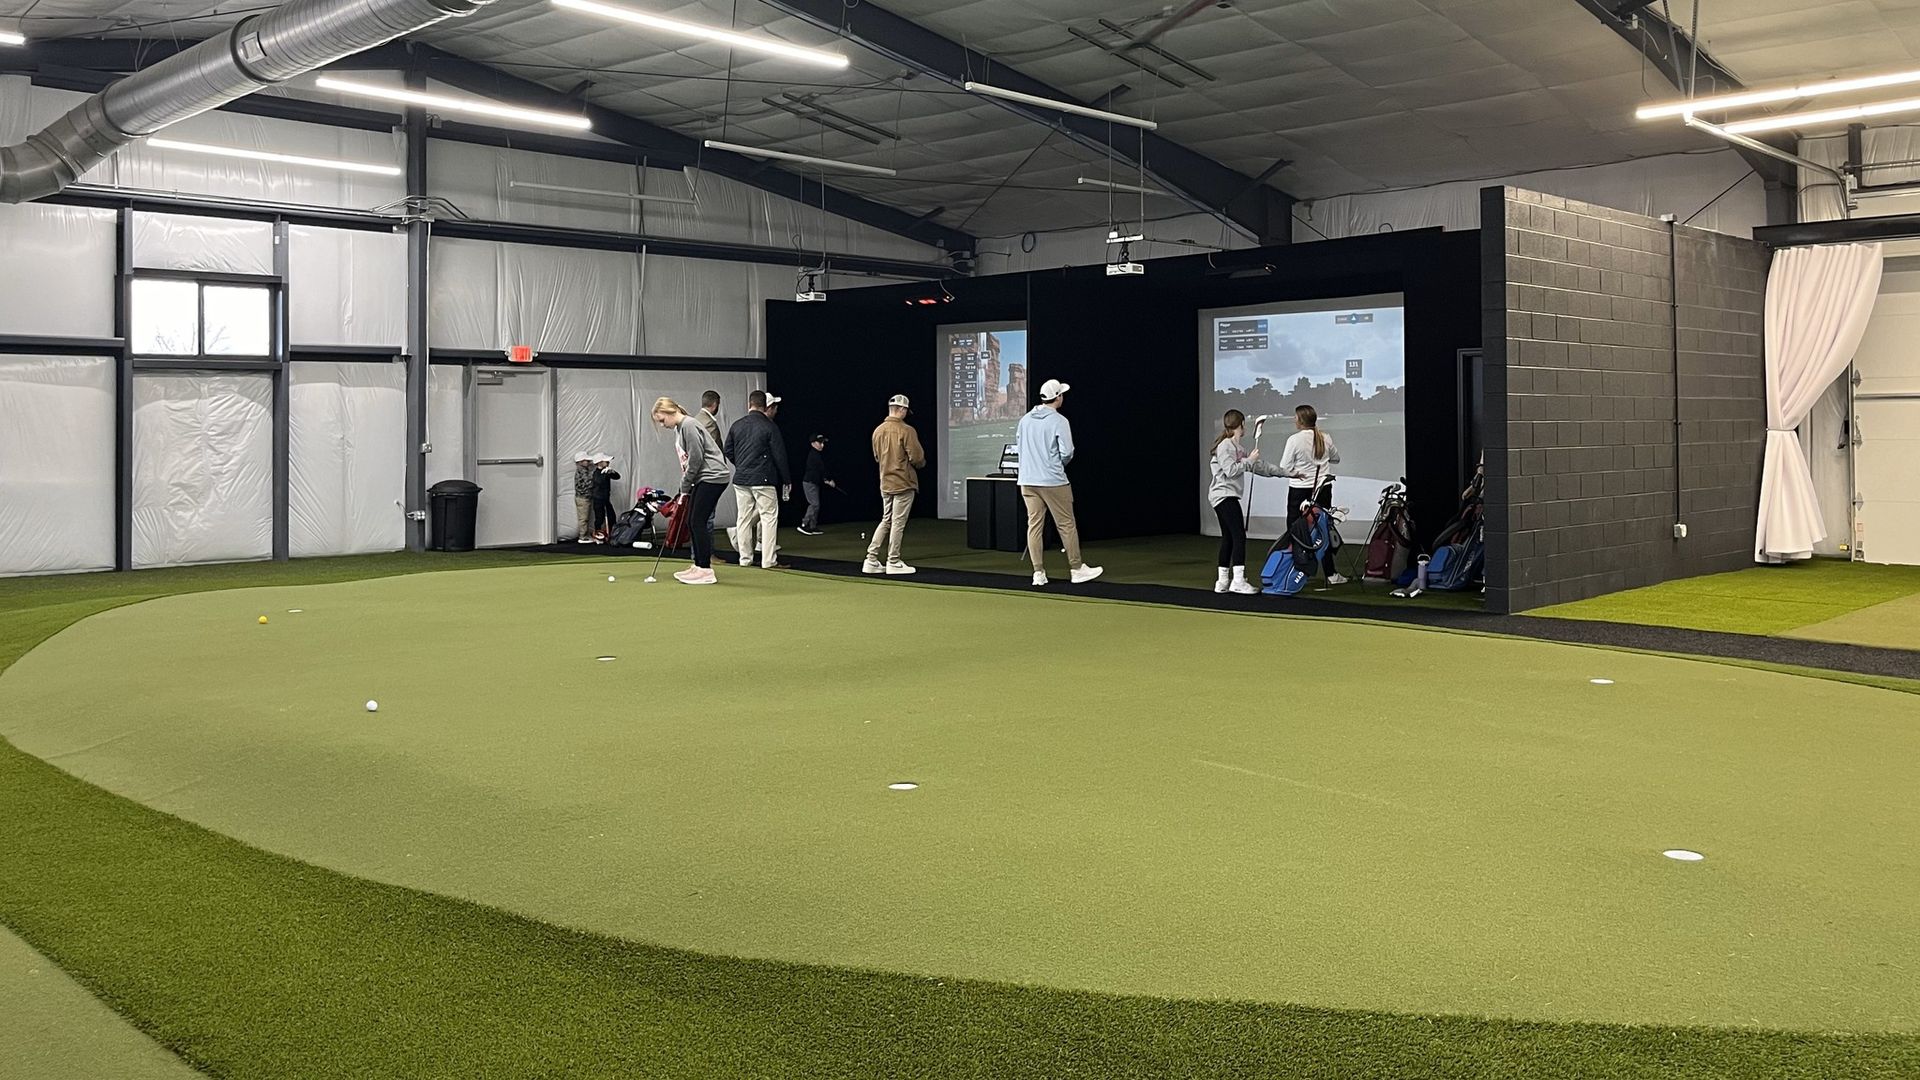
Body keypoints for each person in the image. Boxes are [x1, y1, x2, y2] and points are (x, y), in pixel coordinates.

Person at [1016, 379, 1102, 587]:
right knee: (1066, 524)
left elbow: (1020, 447)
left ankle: (1038, 572)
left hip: (1027, 480)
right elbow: (1068, 452)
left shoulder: (1025, 420)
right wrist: (1058, 464)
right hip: (1052, 480)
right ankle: (1076, 568)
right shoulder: (1059, 421)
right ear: (1058, 397)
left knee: (1034, 525)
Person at [652, 396, 732, 585]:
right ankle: (698, 565)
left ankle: (705, 570)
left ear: (670, 412)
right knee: (691, 520)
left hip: (712, 477)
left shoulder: (688, 425)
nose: (663, 425)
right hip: (703, 478)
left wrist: (685, 485)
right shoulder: (681, 428)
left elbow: (696, 458)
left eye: (662, 420)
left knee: (697, 521)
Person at [1208, 410, 1286, 593]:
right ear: (1241, 424)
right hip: (1223, 496)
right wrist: (1249, 461)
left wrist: (1288, 473)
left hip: (1225, 496)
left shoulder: (1238, 449)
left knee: (1229, 537)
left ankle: (1222, 582)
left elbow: (1261, 468)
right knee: (1239, 536)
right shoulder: (1225, 446)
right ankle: (1238, 581)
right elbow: (1230, 470)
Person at [1277, 404, 1345, 586]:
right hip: (1322, 491)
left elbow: (1285, 467)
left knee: (1296, 531)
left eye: (1295, 417)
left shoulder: (1294, 440)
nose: (1293, 420)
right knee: (1323, 530)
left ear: (1300, 420)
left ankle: (1292, 573)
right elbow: (1336, 458)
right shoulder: (1325, 438)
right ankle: (1331, 574)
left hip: (1299, 491)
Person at [724, 390, 791, 569]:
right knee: (768, 517)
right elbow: (780, 456)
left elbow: (727, 450)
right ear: (765, 406)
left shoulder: (737, 425)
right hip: (764, 478)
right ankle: (768, 560)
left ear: (749, 404)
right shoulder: (770, 426)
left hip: (741, 479)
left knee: (743, 518)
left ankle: (745, 559)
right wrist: (786, 479)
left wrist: (742, 465)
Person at [864, 394, 925, 575]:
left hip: (885, 481)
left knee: (886, 520)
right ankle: (893, 560)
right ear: (902, 410)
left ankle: (871, 559)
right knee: (898, 523)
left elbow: (876, 457)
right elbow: (918, 458)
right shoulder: (907, 431)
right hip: (903, 482)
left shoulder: (878, 431)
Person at [698, 390, 725, 538]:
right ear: (715, 405)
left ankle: (702, 554)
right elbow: (713, 454)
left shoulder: (695, 420)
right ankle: (707, 553)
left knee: (700, 517)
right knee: (707, 516)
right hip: (709, 476)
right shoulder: (709, 424)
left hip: (698, 476)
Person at [799, 434, 835, 535]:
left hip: (813, 482)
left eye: (823, 443)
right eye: (820, 443)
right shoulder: (813, 455)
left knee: (816, 505)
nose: (822, 445)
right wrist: (828, 480)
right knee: (814, 504)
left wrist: (826, 480)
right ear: (813, 443)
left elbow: (820, 472)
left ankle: (812, 527)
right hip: (809, 483)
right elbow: (819, 470)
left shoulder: (816, 454)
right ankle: (804, 525)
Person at [589, 453, 620, 542]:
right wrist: (604, 474)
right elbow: (599, 482)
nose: (608, 462)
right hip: (598, 499)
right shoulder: (596, 473)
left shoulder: (606, 471)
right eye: (606, 461)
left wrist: (612, 472)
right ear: (599, 462)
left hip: (606, 499)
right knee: (599, 518)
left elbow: (617, 477)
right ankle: (598, 535)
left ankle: (612, 534)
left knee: (611, 517)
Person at [572, 451, 596, 543]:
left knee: (585, 517)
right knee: (583, 518)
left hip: (585, 497)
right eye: (586, 460)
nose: (589, 462)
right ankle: (583, 536)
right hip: (583, 498)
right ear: (580, 461)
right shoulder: (582, 472)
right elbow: (589, 483)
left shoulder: (584, 471)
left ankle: (585, 534)